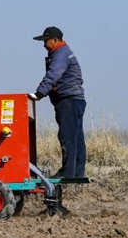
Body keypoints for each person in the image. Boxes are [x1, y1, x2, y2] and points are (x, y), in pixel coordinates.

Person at [28, 26, 86, 179]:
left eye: (46, 41)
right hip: (76, 99)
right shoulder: (65, 52)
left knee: (67, 136)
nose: (44, 45)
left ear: (54, 40)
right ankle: (77, 173)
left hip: (68, 100)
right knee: (76, 138)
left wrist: (39, 93)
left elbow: (53, 74)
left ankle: (67, 173)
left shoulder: (60, 54)